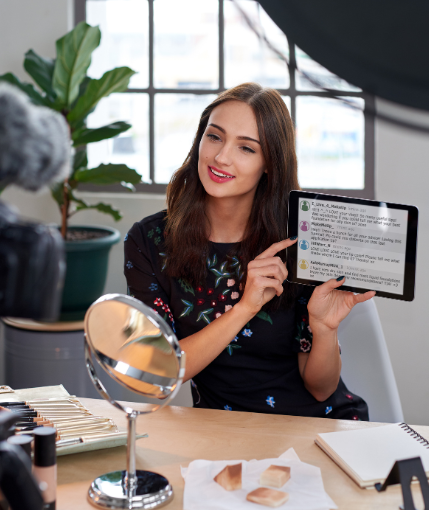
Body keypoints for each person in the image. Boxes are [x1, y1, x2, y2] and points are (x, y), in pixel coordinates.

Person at [124, 82, 374, 419]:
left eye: (246, 148)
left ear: (269, 164)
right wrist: (245, 307)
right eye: (215, 137)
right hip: (222, 431)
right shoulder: (149, 241)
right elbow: (158, 371)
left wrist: (324, 328)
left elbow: (321, 388)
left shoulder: (298, 242)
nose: (221, 157)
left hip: (316, 427)